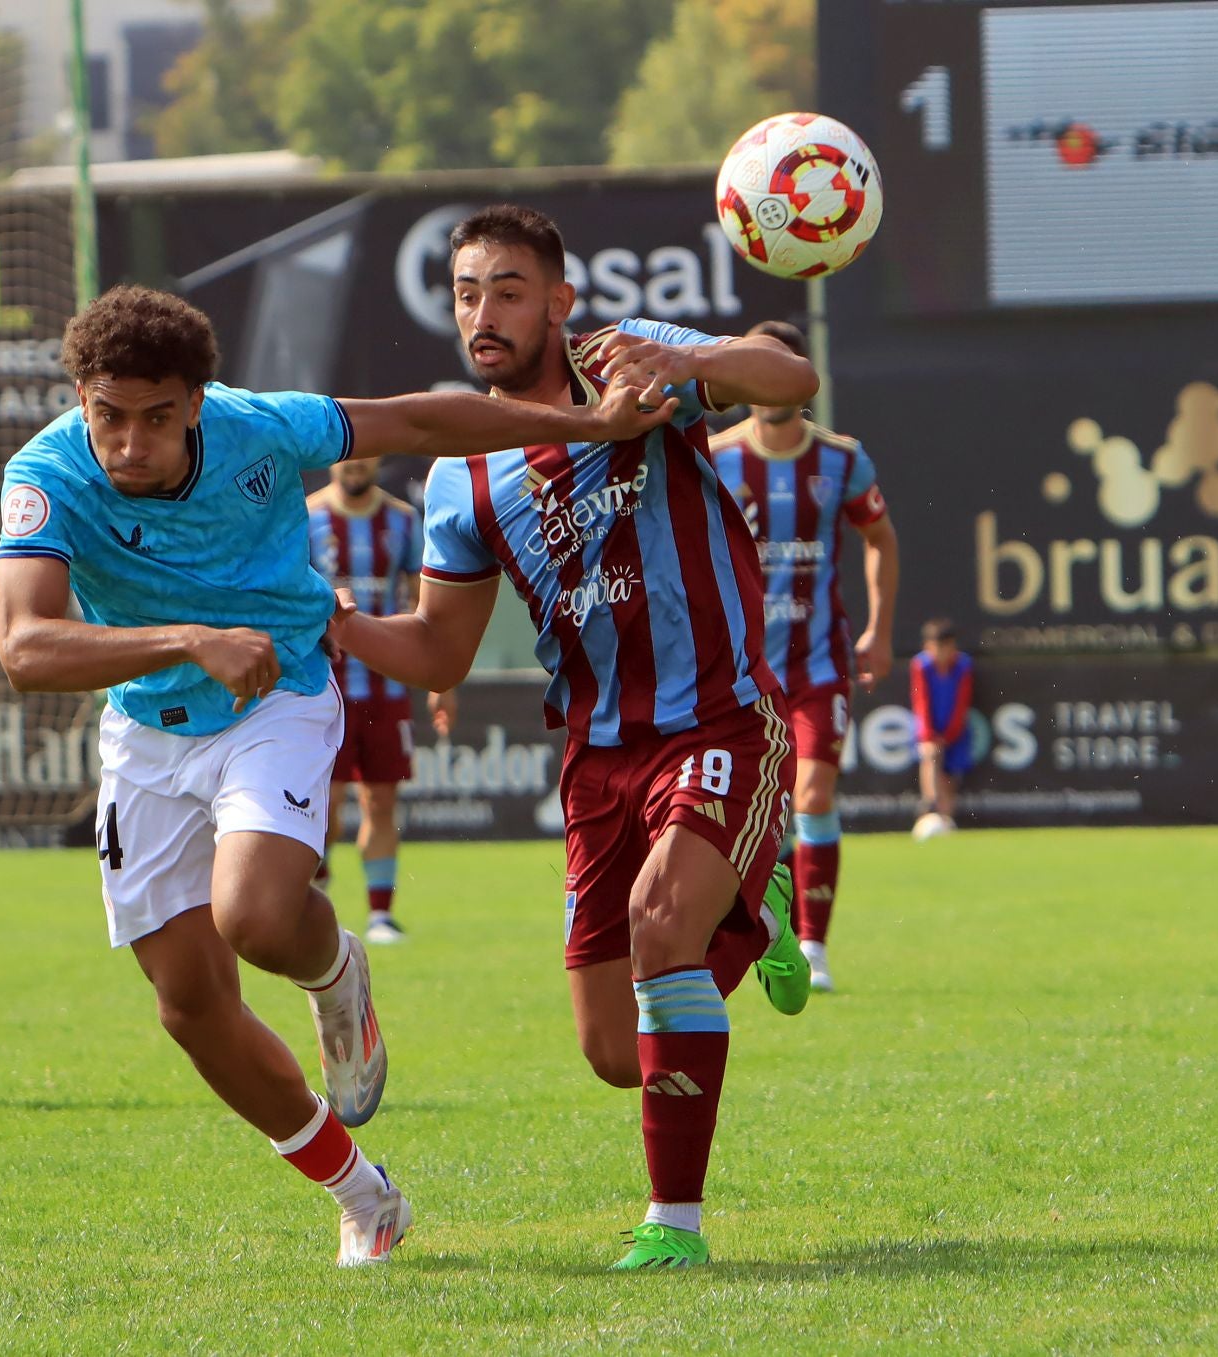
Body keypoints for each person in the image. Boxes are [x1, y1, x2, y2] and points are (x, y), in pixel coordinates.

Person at [0, 284, 673, 1267]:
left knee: (258, 917)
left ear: (196, 402)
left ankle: (332, 969)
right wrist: (190, 639)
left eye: (154, 417)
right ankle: (365, 1195)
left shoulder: (260, 429)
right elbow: (23, 647)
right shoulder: (47, 473)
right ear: (81, 399)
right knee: (189, 1008)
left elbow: (425, 417)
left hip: (280, 695)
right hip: (146, 735)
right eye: (108, 415)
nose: (127, 442)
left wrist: (581, 422)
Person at [329, 205, 817, 1271]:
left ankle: (673, 1227)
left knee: (657, 928)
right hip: (600, 757)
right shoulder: (459, 469)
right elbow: (437, 651)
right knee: (611, 1049)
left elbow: (793, 384)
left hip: (719, 716)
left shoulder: (626, 360)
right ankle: (752, 896)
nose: (483, 312)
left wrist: (684, 354)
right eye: (466, 292)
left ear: (559, 300)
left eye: (508, 289)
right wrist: (330, 621)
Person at [709, 320, 899, 994]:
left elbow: (880, 538)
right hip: (740, 669)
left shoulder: (843, 460)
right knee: (751, 807)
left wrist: (879, 628)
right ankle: (765, 912)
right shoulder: (716, 454)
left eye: (778, 365)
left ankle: (814, 945)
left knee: (814, 791)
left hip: (819, 665)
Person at [305, 459, 451, 944]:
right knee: (324, 803)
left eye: (367, 456)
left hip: (387, 687)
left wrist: (440, 679)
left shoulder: (404, 521)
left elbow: (423, 603)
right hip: (323, 685)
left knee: (381, 799)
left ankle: (381, 916)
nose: (356, 465)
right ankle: (313, 897)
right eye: (349, 456)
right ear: (334, 460)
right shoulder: (305, 518)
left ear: (380, 460)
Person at [911, 617, 975, 833]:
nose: (939, 652)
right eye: (934, 647)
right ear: (926, 646)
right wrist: (929, 734)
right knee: (929, 756)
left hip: (955, 732)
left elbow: (961, 703)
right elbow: (921, 702)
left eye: (944, 647)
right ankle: (930, 808)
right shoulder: (921, 665)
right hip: (929, 730)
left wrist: (948, 735)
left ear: (952, 646)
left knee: (949, 778)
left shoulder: (963, 666)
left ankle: (946, 822)